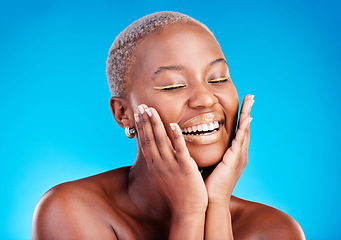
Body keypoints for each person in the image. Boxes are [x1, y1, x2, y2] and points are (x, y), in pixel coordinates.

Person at [31, 11, 305, 239]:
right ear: (123, 113)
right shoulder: (69, 211)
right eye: (173, 85)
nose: (205, 99)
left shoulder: (275, 230)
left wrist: (216, 206)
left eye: (218, 79)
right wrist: (189, 211)